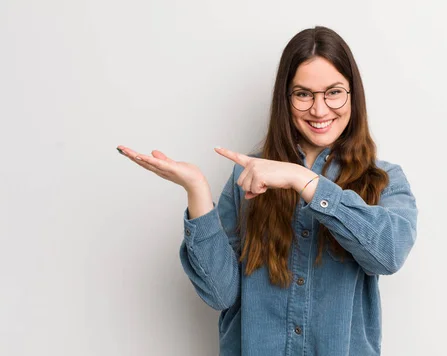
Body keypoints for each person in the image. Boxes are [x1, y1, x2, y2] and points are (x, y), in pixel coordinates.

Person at [117, 25, 418, 356]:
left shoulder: (384, 178)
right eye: (303, 94)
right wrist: (197, 193)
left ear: (353, 95)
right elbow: (220, 295)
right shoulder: (247, 176)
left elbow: (389, 254)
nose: (319, 110)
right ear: (285, 99)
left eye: (333, 92)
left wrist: (303, 181)